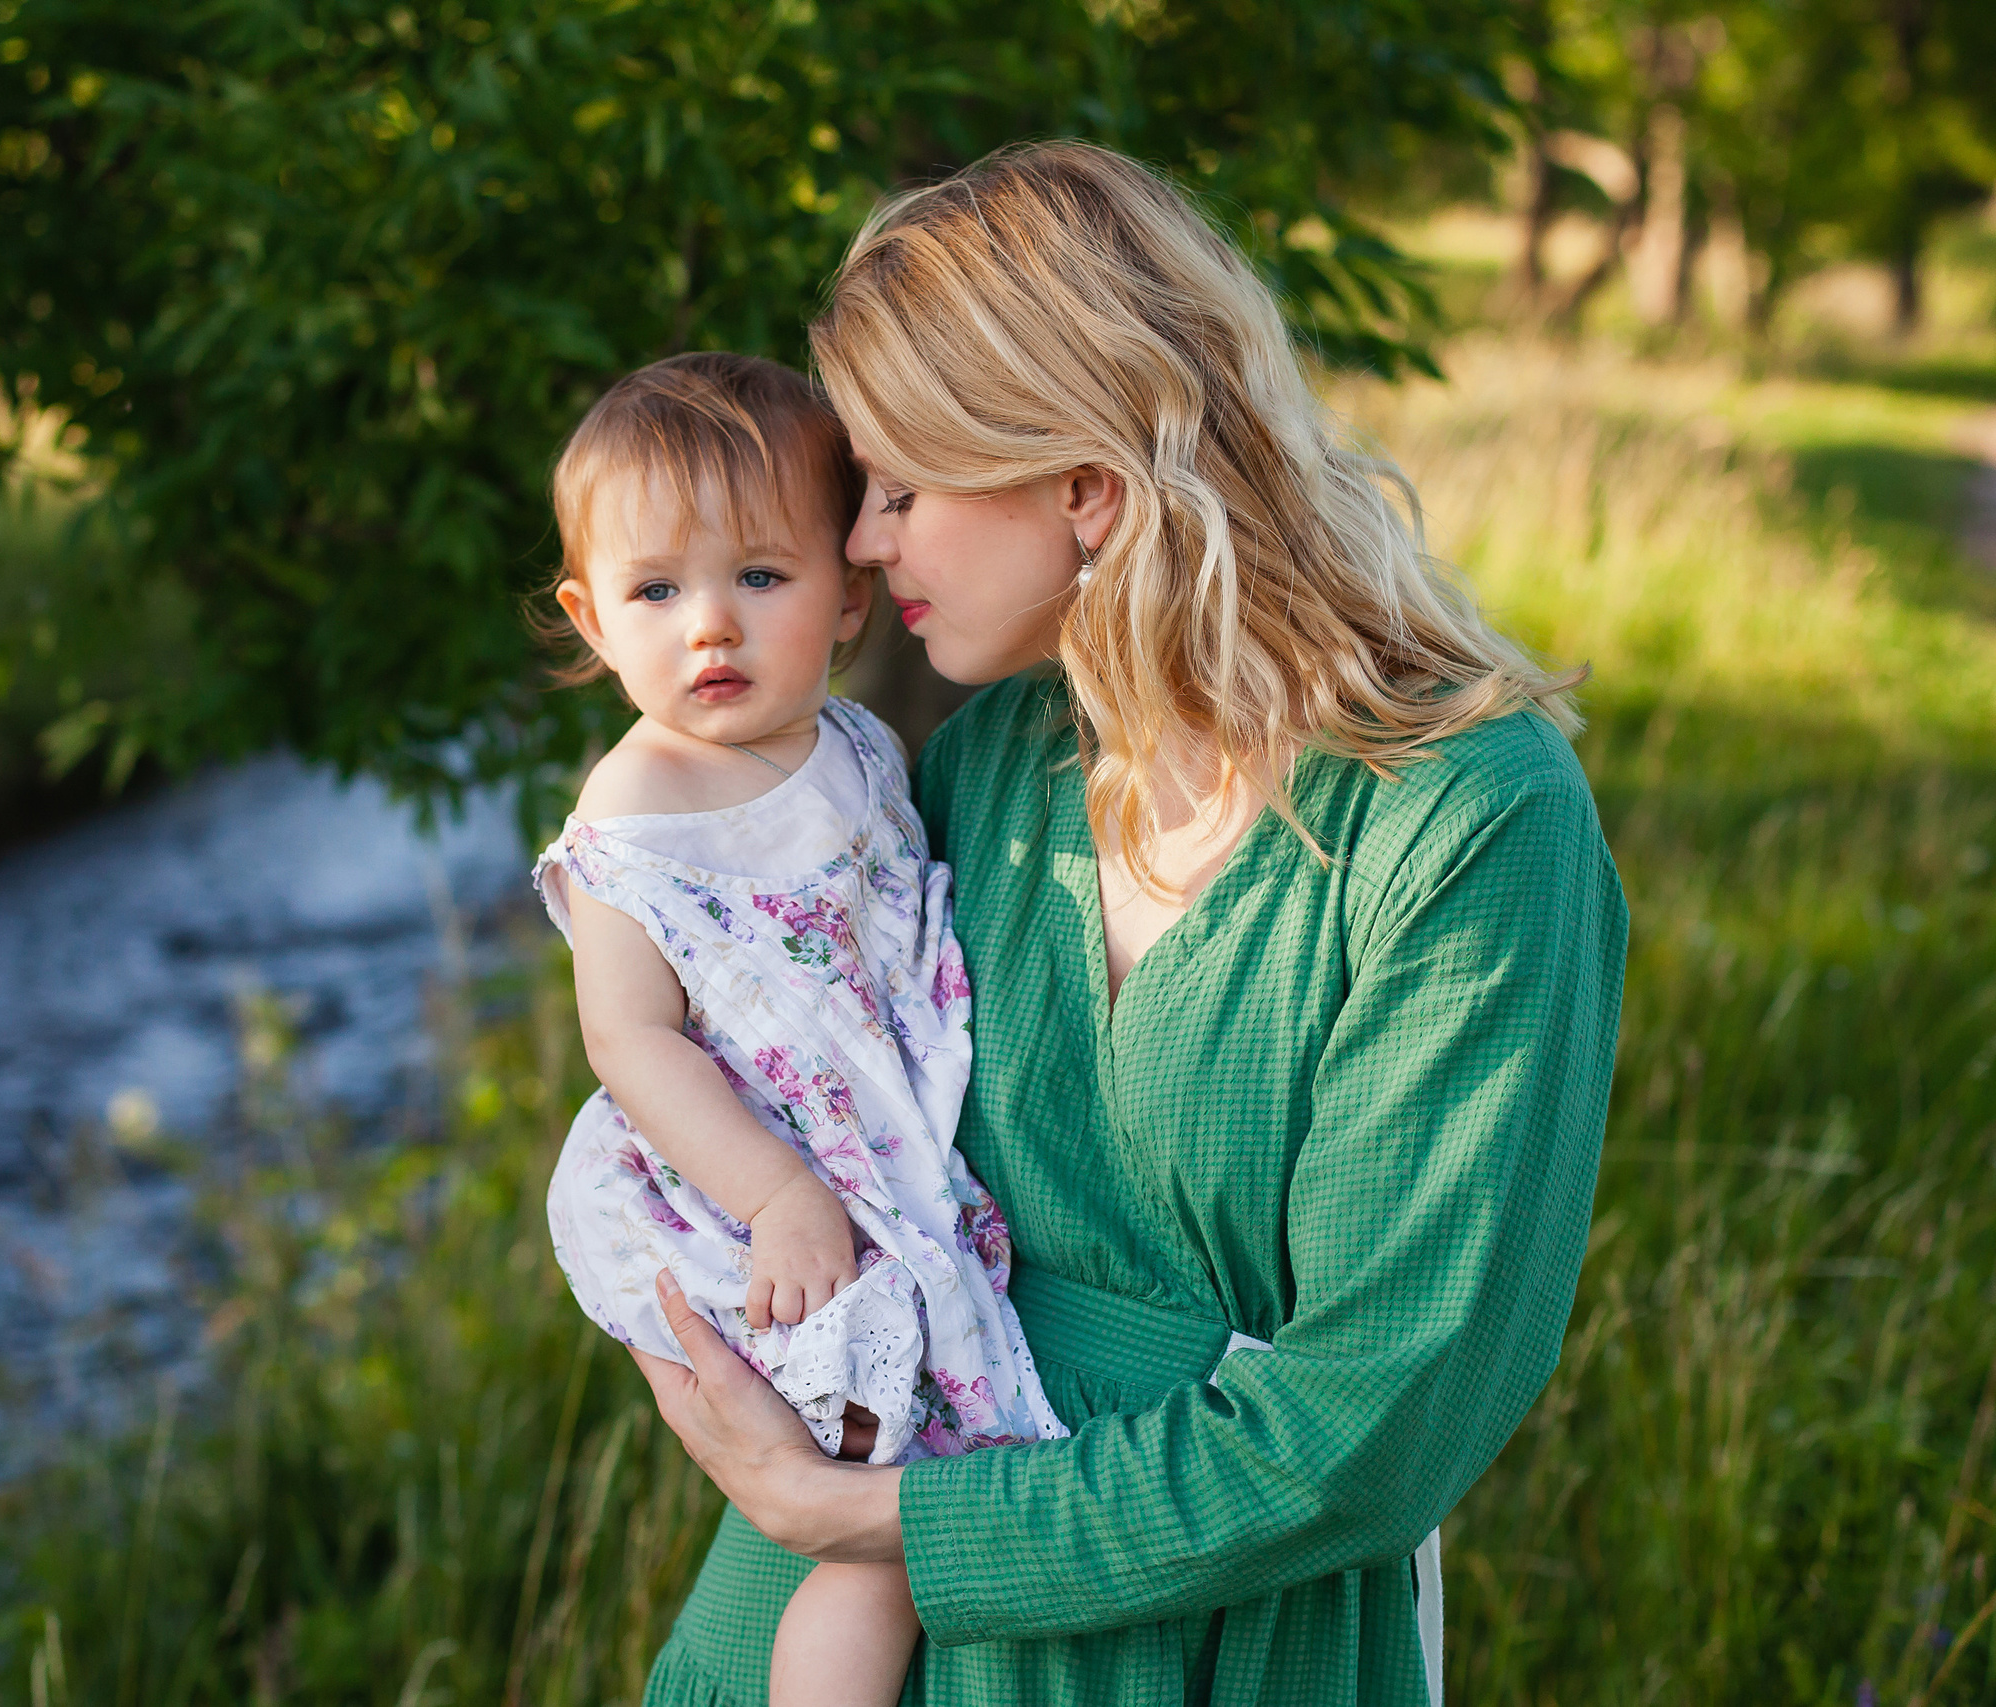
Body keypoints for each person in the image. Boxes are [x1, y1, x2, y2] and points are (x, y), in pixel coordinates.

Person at [624, 143, 1630, 1707]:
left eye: (899, 489)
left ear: (1084, 489)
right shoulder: (988, 768)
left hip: (1195, 1636)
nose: (864, 543)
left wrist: (870, 1512)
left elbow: (1383, 1418)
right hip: (814, 1625)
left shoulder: (1465, 818)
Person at [534, 351, 1069, 1707]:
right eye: (657, 592)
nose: (709, 627)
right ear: (591, 617)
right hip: (763, 1186)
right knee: (871, 1522)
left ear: (845, 599)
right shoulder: (635, 816)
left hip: (885, 1143)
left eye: (759, 580)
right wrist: (779, 1197)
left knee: (931, 1492)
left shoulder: (861, 748)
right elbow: (631, 1044)